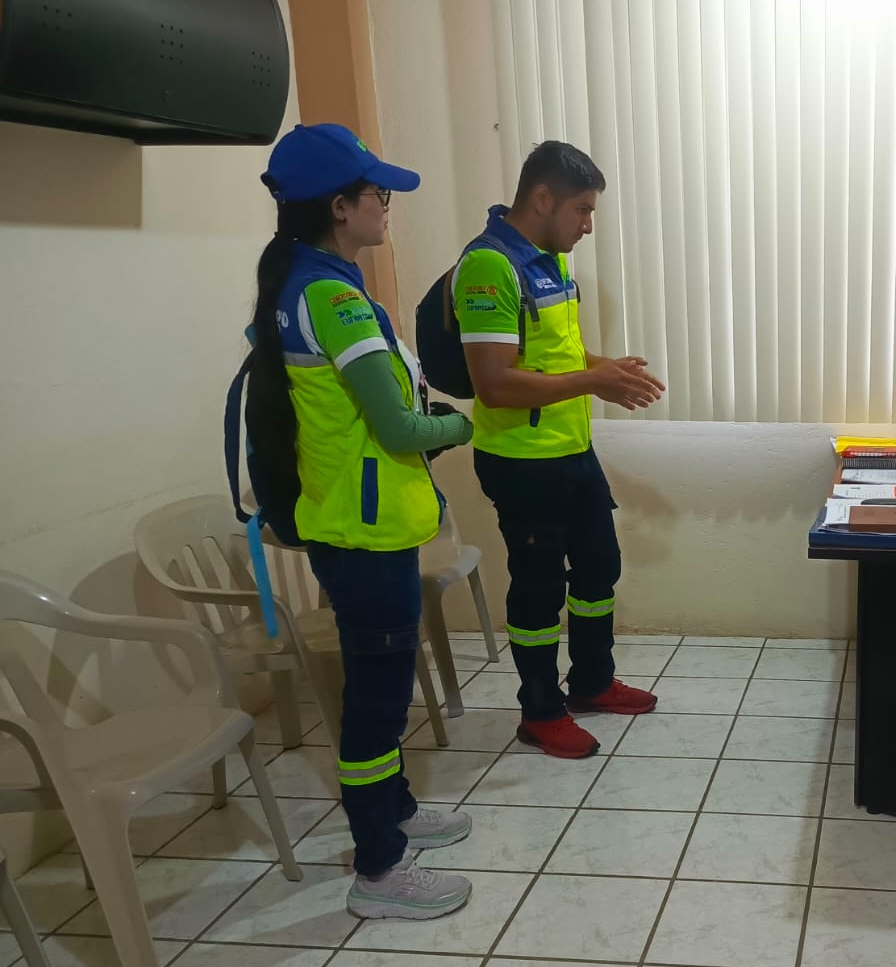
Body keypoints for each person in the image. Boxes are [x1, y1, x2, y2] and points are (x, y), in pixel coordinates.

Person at [250, 122, 476, 918]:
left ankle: (397, 814)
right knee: (376, 707)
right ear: (340, 207)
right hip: (363, 534)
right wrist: (462, 425)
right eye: (378, 194)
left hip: (352, 525)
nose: (387, 206)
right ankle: (379, 871)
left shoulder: (301, 285)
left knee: (380, 692)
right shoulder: (333, 298)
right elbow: (400, 428)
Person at [455, 141, 666, 758]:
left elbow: (558, 359)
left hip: (570, 449)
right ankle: (540, 712)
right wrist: (593, 381)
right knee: (538, 589)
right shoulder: (489, 266)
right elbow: (495, 383)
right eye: (582, 209)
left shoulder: (549, 262)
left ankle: (592, 682)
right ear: (543, 198)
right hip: (521, 461)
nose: (588, 225)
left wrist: (607, 370)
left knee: (600, 567)